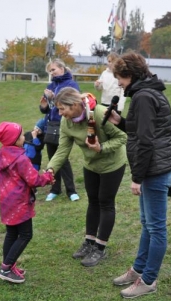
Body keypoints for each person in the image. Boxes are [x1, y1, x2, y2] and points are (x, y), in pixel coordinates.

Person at [108, 52, 171, 299]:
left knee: (156, 228)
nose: (118, 83)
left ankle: (148, 280)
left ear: (129, 75)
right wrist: (120, 121)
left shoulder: (144, 97)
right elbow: (143, 130)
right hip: (158, 167)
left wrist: (137, 177)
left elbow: (147, 141)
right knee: (148, 225)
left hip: (154, 171)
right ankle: (138, 269)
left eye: (120, 78)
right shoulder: (148, 93)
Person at [45, 88, 127, 267]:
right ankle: (89, 242)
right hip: (90, 165)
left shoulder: (99, 113)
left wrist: (102, 148)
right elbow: (63, 149)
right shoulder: (66, 122)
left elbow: (123, 136)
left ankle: (100, 248)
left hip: (112, 165)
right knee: (93, 202)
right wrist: (51, 169)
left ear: (74, 105)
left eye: (62, 109)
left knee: (106, 203)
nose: (59, 113)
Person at [0, 121, 54, 284]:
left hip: (6, 201)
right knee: (26, 234)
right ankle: (5, 268)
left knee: (12, 233)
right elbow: (34, 179)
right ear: (13, 139)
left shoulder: (0, 155)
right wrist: (48, 177)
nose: (23, 136)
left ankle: (9, 265)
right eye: (20, 135)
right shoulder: (21, 159)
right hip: (20, 202)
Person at [39, 59, 80, 202]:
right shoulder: (50, 85)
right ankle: (55, 188)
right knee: (52, 158)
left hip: (65, 124)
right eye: (50, 71)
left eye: (53, 70)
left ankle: (71, 190)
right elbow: (46, 109)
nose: (52, 73)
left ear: (62, 68)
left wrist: (54, 97)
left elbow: (74, 103)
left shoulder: (71, 84)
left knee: (63, 158)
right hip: (51, 125)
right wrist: (44, 105)